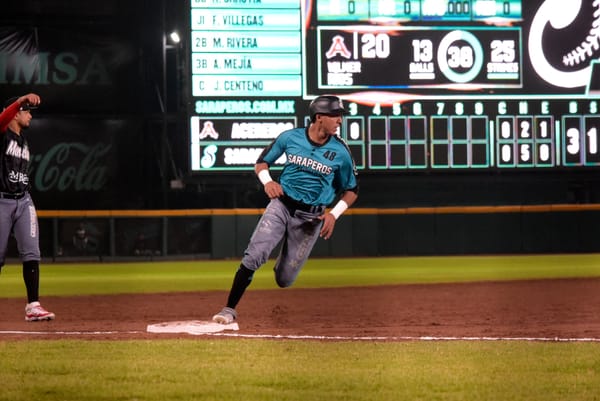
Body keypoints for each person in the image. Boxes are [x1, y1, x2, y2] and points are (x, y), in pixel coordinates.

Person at [212, 95, 359, 324]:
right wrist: (268, 182)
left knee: (285, 279)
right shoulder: (291, 137)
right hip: (281, 205)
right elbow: (261, 163)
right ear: (319, 117)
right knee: (254, 256)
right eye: (335, 115)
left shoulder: (340, 152)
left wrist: (333, 214)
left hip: (311, 218)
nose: (340, 120)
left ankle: (284, 257)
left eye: (340, 116)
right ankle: (228, 309)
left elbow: (352, 190)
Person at [0, 94, 55, 322]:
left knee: (31, 253)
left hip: (23, 200)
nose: (30, 115)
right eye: (27, 111)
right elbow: (3, 118)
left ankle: (33, 306)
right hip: (1, 200)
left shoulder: (23, 140)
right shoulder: (2, 134)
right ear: (16, 113)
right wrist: (21, 99)